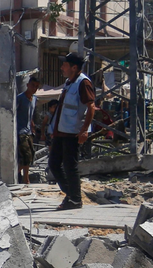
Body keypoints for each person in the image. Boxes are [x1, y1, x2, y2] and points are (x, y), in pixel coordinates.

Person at [48, 52, 95, 210]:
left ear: (74, 68)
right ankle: (73, 194)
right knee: (54, 164)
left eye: (65, 65)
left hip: (72, 133)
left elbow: (91, 107)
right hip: (61, 132)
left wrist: (84, 130)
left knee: (70, 166)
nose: (62, 67)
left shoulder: (83, 83)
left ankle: (74, 199)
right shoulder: (69, 82)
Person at [16, 75, 40, 184]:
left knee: (30, 156)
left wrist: (33, 125)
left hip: (29, 131)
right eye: (32, 85)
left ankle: (25, 178)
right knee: (26, 155)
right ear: (27, 85)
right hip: (20, 131)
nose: (34, 88)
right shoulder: (20, 98)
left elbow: (31, 115)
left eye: (36, 86)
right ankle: (15, 174)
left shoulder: (34, 99)